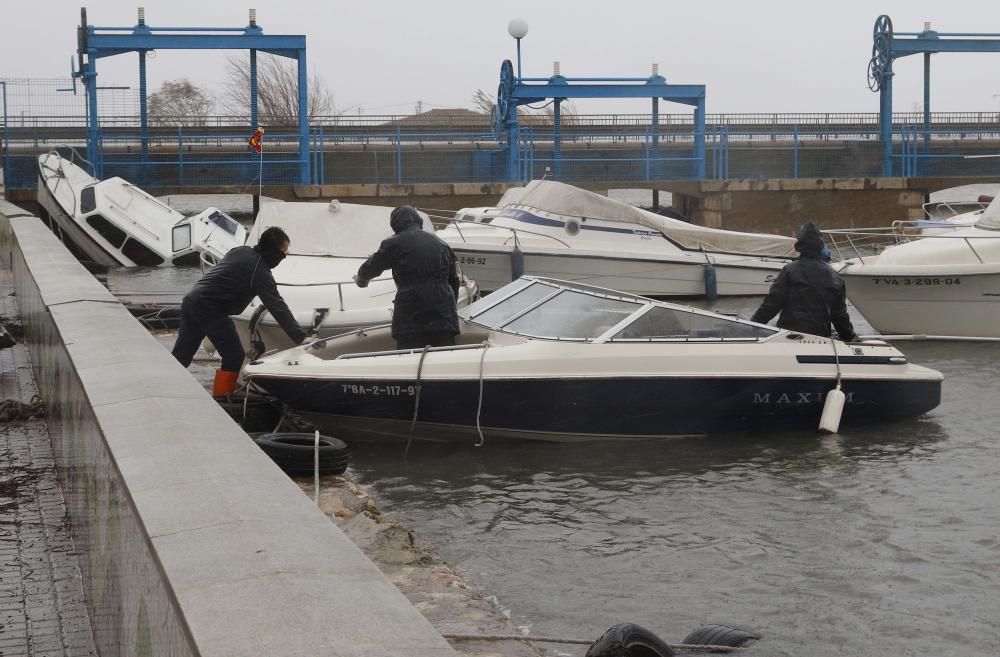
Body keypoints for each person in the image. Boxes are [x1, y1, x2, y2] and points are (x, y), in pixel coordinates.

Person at [172, 226, 306, 396]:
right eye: (282, 253)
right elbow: (278, 307)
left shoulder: (240, 251)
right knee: (234, 356)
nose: (283, 258)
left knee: (182, 355)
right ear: (272, 251)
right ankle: (222, 398)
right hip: (210, 308)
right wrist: (301, 338)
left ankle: (165, 388)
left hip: (192, 300)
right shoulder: (260, 271)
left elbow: (229, 277)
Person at [354, 206, 460, 350]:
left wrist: (361, 280)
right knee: (443, 354)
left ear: (395, 224)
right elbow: (454, 280)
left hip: (411, 309)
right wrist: (449, 307)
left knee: (409, 355)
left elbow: (372, 266)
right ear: (418, 220)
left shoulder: (393, 243)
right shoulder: (442, 243)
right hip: (443, 312)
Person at [750, 221, 858, 342]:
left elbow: (771, 305)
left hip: (789, 337)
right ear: (821, 247)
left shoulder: (789, 271)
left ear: (800, 245)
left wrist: (751, 327)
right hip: (820, 340)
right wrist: (851, 338)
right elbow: (839, 316)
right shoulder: (835, 276)